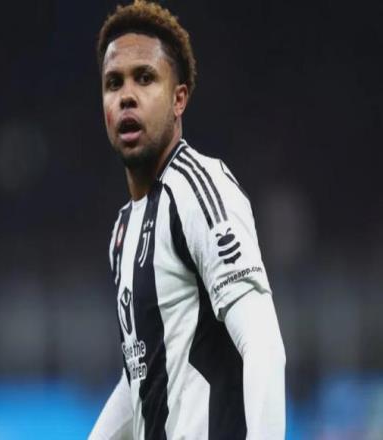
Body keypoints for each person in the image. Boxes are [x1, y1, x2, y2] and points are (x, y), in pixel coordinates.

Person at [90, 1, 286, 439]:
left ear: (179, 98)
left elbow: (263, 345)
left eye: (145, 78)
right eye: (113, 83)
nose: (126, 95)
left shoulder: (199, 189)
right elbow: (139, 378)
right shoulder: (123, 230)